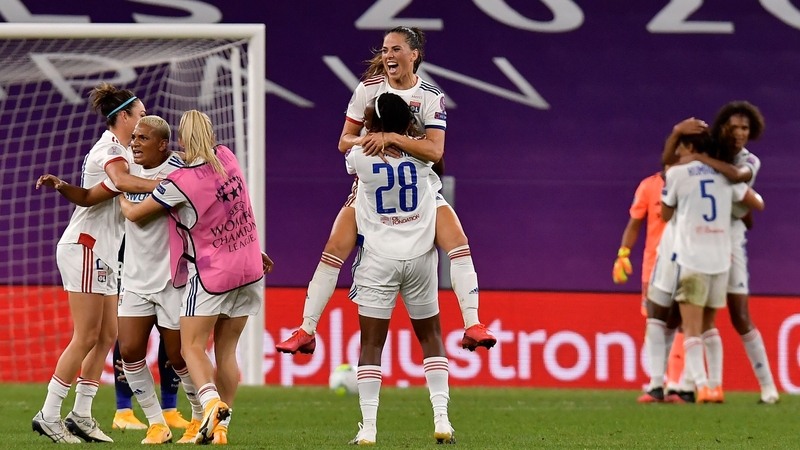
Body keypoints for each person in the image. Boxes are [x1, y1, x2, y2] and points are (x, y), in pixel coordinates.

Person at [277, 26, 495, 355]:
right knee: (334, 247)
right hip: (372, 186)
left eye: (395, 49)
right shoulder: (367, 90)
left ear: (414, 55)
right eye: (384, 50)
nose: (388, 56)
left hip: (418, 188)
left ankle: (472, 324)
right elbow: (343, 141)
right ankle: (306, 329)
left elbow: (436, 151)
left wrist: (393, 139)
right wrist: (371, 142)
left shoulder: (430, 97)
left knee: (458, 242)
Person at [119, 110, 274, 444]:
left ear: (180, 140)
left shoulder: (181, 183)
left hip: (212, 274)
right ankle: (220, 430)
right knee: (227, 351)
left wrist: (118, 189)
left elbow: (134, 214)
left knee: (190, 347)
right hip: (249, 266)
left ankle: (210, 404)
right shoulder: (227, 158)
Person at [31, 83, 158, 444]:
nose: (145, 119)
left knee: (107, 335)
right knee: (87, 335)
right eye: (141, 114)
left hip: (104, 251)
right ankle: (49, 413)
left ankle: (82, 414)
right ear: (123, 118)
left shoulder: (127, 152)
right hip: (85, 247)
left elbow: (91, 196)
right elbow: (119, 181)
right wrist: (164, 184)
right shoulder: (110, 151)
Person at [346, 92, 455, 445]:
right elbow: (434, 160)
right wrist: (407, 137)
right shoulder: (422, 158)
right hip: (421, 257)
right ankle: (441, 419)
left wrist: (373, 135)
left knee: (372, 344)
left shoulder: (360, 157)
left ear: (373, 122)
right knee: (431, 337)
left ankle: (370, 428)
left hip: (379, 258)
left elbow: (347, 148)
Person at [663, 103, 778, 404]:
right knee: (689, 313)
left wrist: (700, 158)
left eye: (745, 128)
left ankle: (768, 388)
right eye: (734, 127)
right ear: (722, 127)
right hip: (700, 239)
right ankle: (689, 383)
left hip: (731, 241)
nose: (739, 133)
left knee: (739, 315)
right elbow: (670, 165)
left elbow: (739, 177)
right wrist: (677, 134)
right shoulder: (711, 150)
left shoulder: (749, 160)